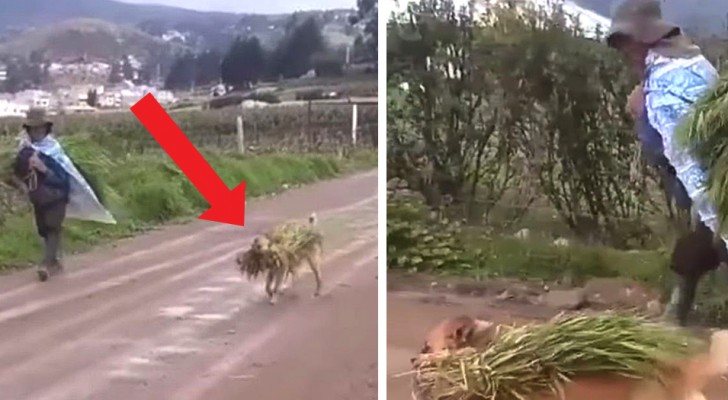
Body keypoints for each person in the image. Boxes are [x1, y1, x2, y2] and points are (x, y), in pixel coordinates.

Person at [605, 0, 724, 326]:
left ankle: (676, 320)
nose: (626, 52)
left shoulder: (665, 88)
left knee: (709, 245)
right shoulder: (690, 60)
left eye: (626, 42)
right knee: (696, 251)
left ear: (642, 36)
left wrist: (720, 219)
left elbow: (689, 165)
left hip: (711, 184)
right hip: (710, 178)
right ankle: (675, 314)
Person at [11, 108, 71, 281]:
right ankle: (54, 261)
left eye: (41, 128)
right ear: (28, 131)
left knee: (52, 227)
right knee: (43, 230)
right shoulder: (24, 152)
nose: (38, 132)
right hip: (38, 199)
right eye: (34, 129)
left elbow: (63, 177)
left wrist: (43, 169)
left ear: (46, 129)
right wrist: (21, 185)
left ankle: (45, 264)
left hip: (57, 197)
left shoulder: (54, 150)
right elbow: (16, 173)